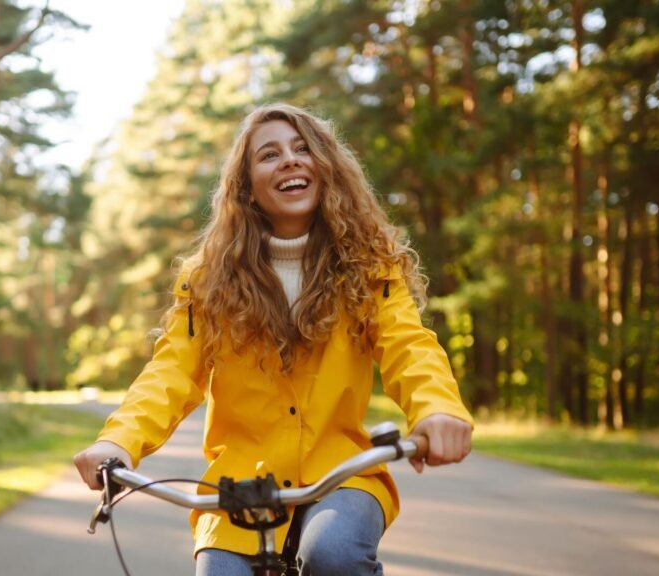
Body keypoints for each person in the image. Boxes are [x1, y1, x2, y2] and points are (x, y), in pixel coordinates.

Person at [74, 103, 473, 576]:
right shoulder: (208, 280)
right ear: (246, 187)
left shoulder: (370, 268)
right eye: (269, 155)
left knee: (333, 553)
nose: (289, 160)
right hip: (240, 486)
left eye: (303, 149)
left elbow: (409, 346)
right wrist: (118, 442)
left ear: (326, 168)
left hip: (341, 474)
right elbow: (170, 372)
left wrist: (436, 409)